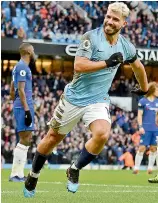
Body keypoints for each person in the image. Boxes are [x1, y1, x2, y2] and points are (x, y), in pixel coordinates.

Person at [23, 2, 148, 197]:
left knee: (102, 134)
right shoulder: (91, 37)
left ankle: (74, 168)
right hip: (74, 98)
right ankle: (33, 174)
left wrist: (144, 87)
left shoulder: (126, 46)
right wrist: (107, 63)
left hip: (98, 100)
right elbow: (79, 65)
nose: (109, 21)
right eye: (108, 16)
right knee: (52, 138)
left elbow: (138, 66)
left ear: (124, 23)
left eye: (115, 19)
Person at [9, 43, 36, 182]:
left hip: (23, 105)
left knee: (27, 139)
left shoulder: (19, 67)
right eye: (33, 49)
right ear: (28, 51)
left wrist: (13, 100)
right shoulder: (22, 67)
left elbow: (12, 88)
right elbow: (20, 89)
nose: (34, 51)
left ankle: (19, 173)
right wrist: (26, 109)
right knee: (25, 138)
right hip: (24, 106)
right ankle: (15, 174)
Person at [133, 82, 158, 174]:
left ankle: (150, 168)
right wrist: (140, 127)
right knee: (142, 148)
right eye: (157, 90)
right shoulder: (143, 101)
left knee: (153, 148)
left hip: (156, 129)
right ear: (152, 90)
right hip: (146, 128)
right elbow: (139, 115)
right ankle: (136, 168)